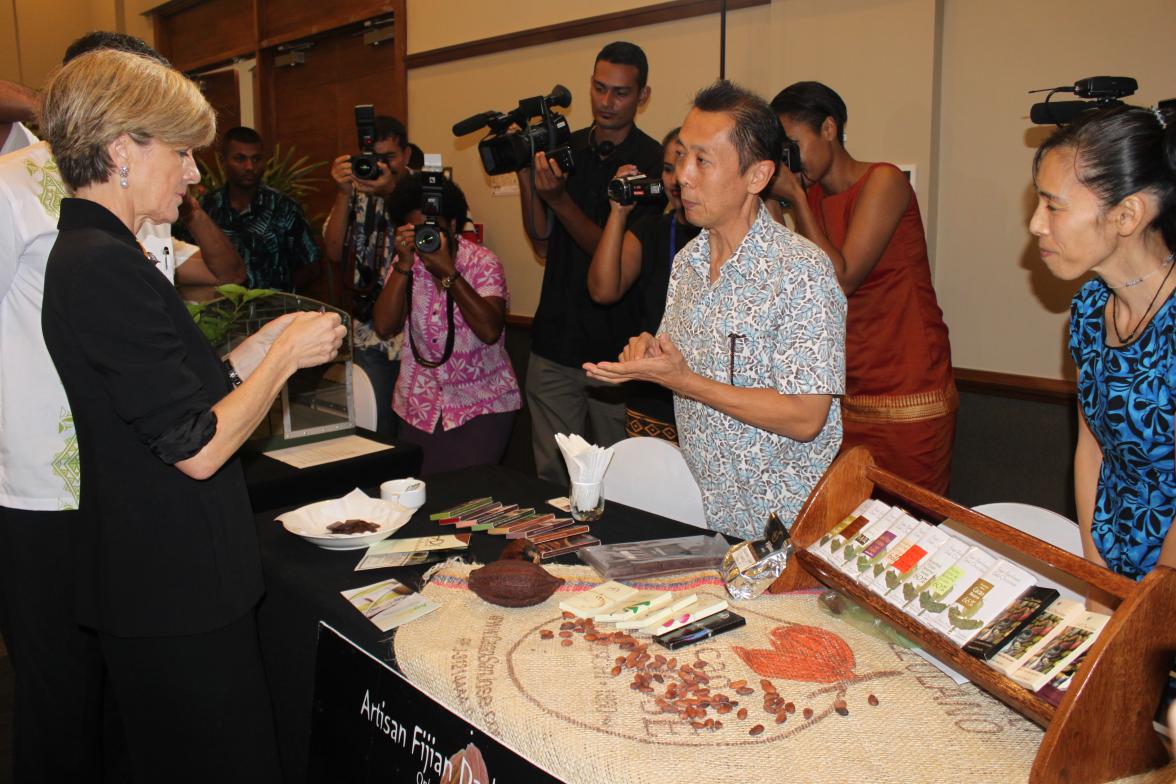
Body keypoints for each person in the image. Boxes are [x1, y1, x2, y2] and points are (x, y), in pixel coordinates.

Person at [38, 49, 346, 781]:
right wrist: (282, 362)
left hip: (162, 578)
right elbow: (197, 446)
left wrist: (257, 349)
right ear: (122, 150)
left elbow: (173, 399)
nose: (194, 173)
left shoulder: (101, 251)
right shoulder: (99, 263)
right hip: (170, 587)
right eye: (180, 152)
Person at [0, 31, 243, 781]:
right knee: (59, 701)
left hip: (136, 481)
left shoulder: (147, 189)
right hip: (42, 489)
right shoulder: (13, 184)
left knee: (134, 710)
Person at [585, 81, 846, 540]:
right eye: (682, 156)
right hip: (704, 514)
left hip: (783, 530)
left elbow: (807, 417)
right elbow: (675, 352)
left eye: (702, 160)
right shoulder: (688, 261)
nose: (682, 175)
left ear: (757, 176)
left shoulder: (801, 271)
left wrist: (685, 382)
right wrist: (648, 354)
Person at [769, 81, 956, 494]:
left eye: (794, 144)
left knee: (911, 530)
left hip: (907, 388)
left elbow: (841, 279)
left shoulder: (883, 181)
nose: (791, 158)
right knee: (846, 533)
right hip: (845, 393)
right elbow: (784, 276)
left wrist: (797, 200)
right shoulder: (810, 197)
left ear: (830, 128)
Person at [1029, 103, 1176, 595]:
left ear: (1127, 214)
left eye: (1053, 206)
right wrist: (1096, 573)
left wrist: (1149, 604)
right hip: (1112, 562)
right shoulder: (1090, 309)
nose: (1035, 224)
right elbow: (1091, 446)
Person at [519, 40, 663, 483]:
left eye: (620, 92)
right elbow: (541, 240)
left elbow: (614, 258)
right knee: (551, 476)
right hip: (553, 341)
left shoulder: (655, 164)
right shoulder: (568, 149)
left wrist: (559, 200)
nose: (606, 101)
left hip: (617, 356)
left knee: (619, 481)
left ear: (642, 96)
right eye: (599, 88)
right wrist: (528, 173)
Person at [371, 172, 521, 474]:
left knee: (469, 500)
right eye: (416, 230)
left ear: (453, 226)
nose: (426, 237)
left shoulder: (483, 262)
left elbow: (490, 330)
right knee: (421, 496)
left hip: (480, 406)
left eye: (434, 229)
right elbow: (384, 327)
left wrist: (448, 273)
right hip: (418, 406)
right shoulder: (406, 263)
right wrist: (402, 266)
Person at [587, 127, 700, 441]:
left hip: (705, 397)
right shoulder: (651, 230)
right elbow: (603, 289)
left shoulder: (721, 235)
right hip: (652, 397)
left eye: (688, 165)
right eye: (668, 168)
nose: (676, 178)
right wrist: (618, 212)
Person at [323, 115, 409, 437]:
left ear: (406, 155)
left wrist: (391, 193)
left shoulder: (422, 188)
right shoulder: (355, 192)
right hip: (368, 335)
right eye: (374, 159)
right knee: (376, 433)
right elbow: (333, 252)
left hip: (415, 339)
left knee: (413, 436)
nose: (381, 167)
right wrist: (343, 193)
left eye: (390, 159)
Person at [180, 125, 321, 291]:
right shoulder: (203, 210)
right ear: (223, 161)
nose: (249, 167)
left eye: (256, 159)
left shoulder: (284, 208)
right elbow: (185, 260)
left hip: (275, 310)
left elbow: (311, 265)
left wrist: (281, 294)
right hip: (218, 311)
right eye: (240, 159)